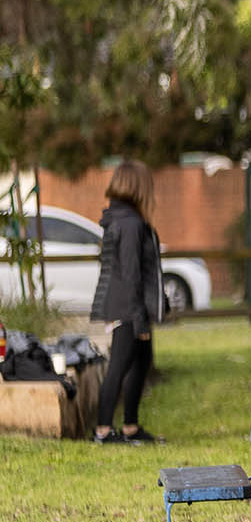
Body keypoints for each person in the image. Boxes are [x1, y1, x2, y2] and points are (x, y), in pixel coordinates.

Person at [89, 160, 162, 445]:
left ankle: (130, 427)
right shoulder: (130, 224)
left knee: (140, 362)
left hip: (124, 304)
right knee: (119, 365)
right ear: (138, 187)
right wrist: (138, 317)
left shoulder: (118, 218)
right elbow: (131, 274)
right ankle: (103, 430)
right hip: (127, 307)